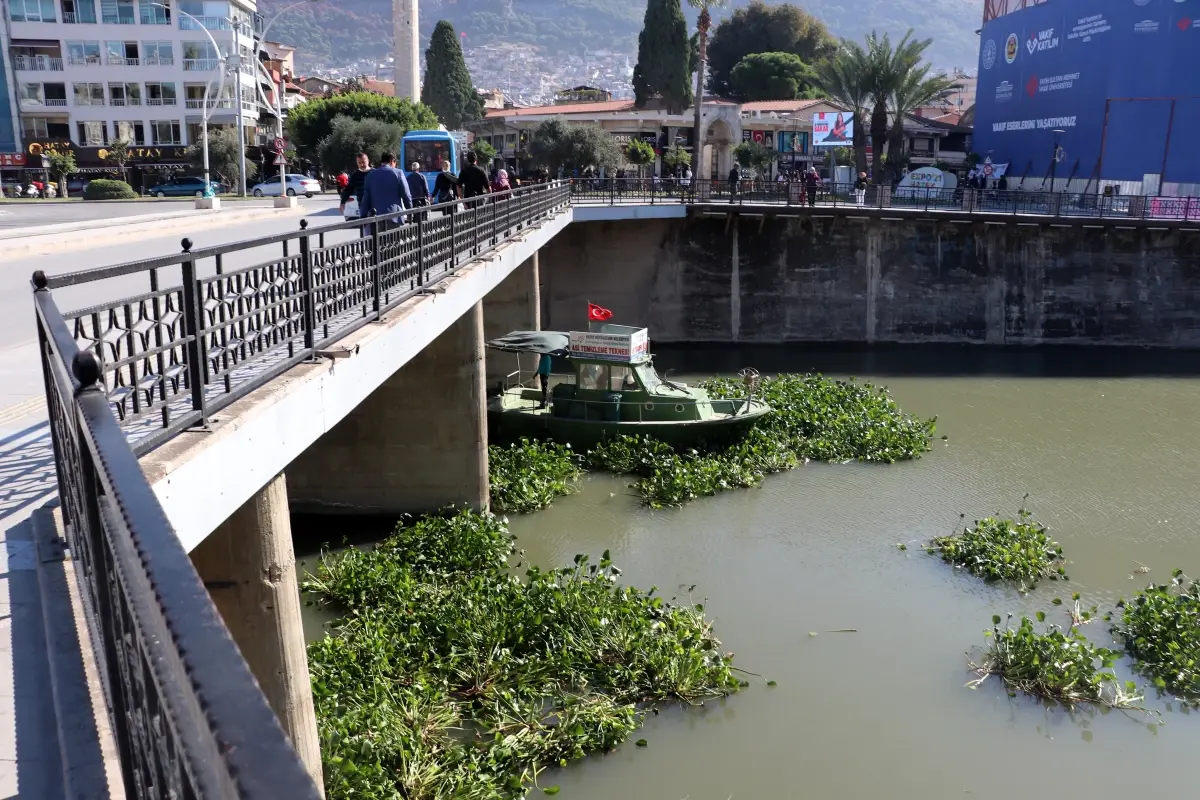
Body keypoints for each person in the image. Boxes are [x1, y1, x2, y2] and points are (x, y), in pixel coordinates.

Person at [359, 151, 413, 226]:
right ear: (392, 161)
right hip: (395, 216)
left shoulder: (370, 176)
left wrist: (363, 215)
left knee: (379, 237)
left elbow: (366, 199)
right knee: (395, 237)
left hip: (376, 218)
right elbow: (406, 195)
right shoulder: (398, 173)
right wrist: (410, 211)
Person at [339, 152, 370, 219]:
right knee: (364, 227)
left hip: (375, 206)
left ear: (368, 161)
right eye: (359, 163)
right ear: (357, 163)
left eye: (363, 162)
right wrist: (342, 202)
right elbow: (348, 189)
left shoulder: (374, 173)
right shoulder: (355, 175)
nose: (362, 164)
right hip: (362, 207)